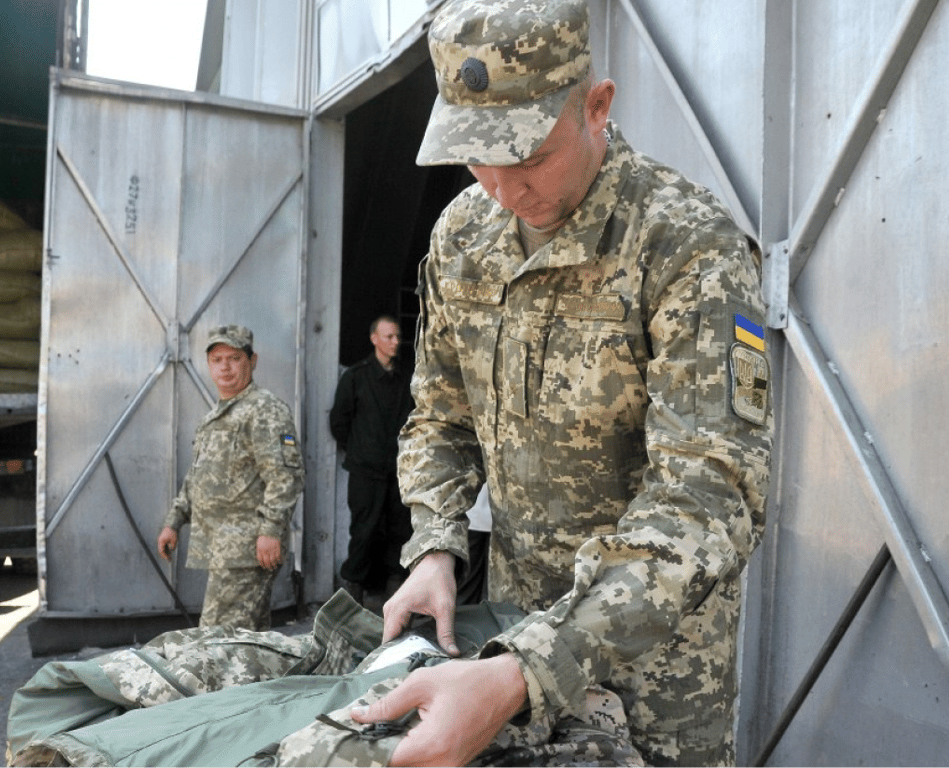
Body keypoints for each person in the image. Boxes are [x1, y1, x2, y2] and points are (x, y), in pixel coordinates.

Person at [350, 1, 774, 766]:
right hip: (507, 628)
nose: (505, 191)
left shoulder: (684, 244)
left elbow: (711, 492)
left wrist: (535, 664)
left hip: (659, 669)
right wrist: (436, 548)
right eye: (480, 159)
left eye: (530, 156)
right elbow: (439, 418)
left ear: (597, 106)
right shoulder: (462, 239)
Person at [156, 324, 304, 631]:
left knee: (217, 642)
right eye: (217, 359)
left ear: (252, 361)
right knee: (245, 643)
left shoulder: (264, 409)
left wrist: (272, 531)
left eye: (234, 358)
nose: (225, 367)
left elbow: (284, 477)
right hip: (225, 550)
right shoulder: (217, 415)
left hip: (249, 549)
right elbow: (198, 477)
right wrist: (174, 521)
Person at [329, 315, 415, 603]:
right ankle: (353, 594)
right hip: (366, 471)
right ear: (374, 338)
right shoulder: (356, 377)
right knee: (363, 532)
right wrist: (360, 451)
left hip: (399, 471)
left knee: (400, 532)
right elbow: (339, 422)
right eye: (388, 336)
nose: (395, 342)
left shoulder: (406, 378)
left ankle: (395, 594)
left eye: (397, 337)